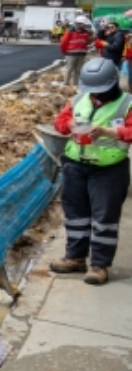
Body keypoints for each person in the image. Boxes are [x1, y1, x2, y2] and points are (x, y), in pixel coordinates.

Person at [50, 58, 132, 286]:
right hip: (76, 166)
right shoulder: (79, 99)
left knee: (105, 218)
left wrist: (106, 131)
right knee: (76, 215)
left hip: (109, 170)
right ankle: (75, 257)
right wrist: (71, 127)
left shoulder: (127, 104)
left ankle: (99, 265)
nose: (97, 95)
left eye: (101, 91)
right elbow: (61, 122)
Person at [60, 16, 93, 86]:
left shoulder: (86, 32)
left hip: (81, 53)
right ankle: (66, 84)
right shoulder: (70, 31)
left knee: (78, 70)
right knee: (70, 69)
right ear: (79, 23)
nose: (85, 25)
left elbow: (87, 42)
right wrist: (64, 52)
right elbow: (64, 42)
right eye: (83, 24)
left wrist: (92, 37)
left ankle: (76, 84)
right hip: (71, 54)